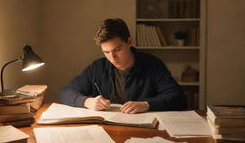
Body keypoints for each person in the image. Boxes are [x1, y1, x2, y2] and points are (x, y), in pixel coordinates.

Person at [59, 18, 187, 113]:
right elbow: (66, 92)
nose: (112, 57)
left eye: (117, 50)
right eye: (106, 52)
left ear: (129, 41)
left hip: (143, 131)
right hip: (107, 130)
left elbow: (177, 97)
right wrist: (87, 101)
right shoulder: (97, 67)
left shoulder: (152, 64)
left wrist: (147, 104)